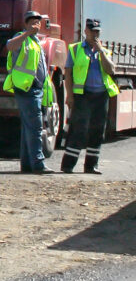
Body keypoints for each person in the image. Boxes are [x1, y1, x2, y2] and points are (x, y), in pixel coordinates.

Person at [60, 18, 119, 174]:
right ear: (85, 31)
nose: (94, 34)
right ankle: (68, 165)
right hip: (83, 95)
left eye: (97, 31)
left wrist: (100, 52)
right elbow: (68, 74)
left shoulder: (105, 51)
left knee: (98, 130)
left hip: (101, 95)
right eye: (92, 30)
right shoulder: (75, 49)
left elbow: (111, 70)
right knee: (79, 129)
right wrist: (70, 95)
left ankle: (91, 166)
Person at [3, 10, 53, 174]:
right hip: (26, 88)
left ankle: (26, 164)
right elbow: (9, 45)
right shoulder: (22, 38)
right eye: (31, 22)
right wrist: (26, 34)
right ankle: (38, 164)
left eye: (37, 22)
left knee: (28, 127)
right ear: (25, 24)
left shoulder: (36, 42)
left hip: (36, 89)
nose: (35, 24)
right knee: (36, 127)